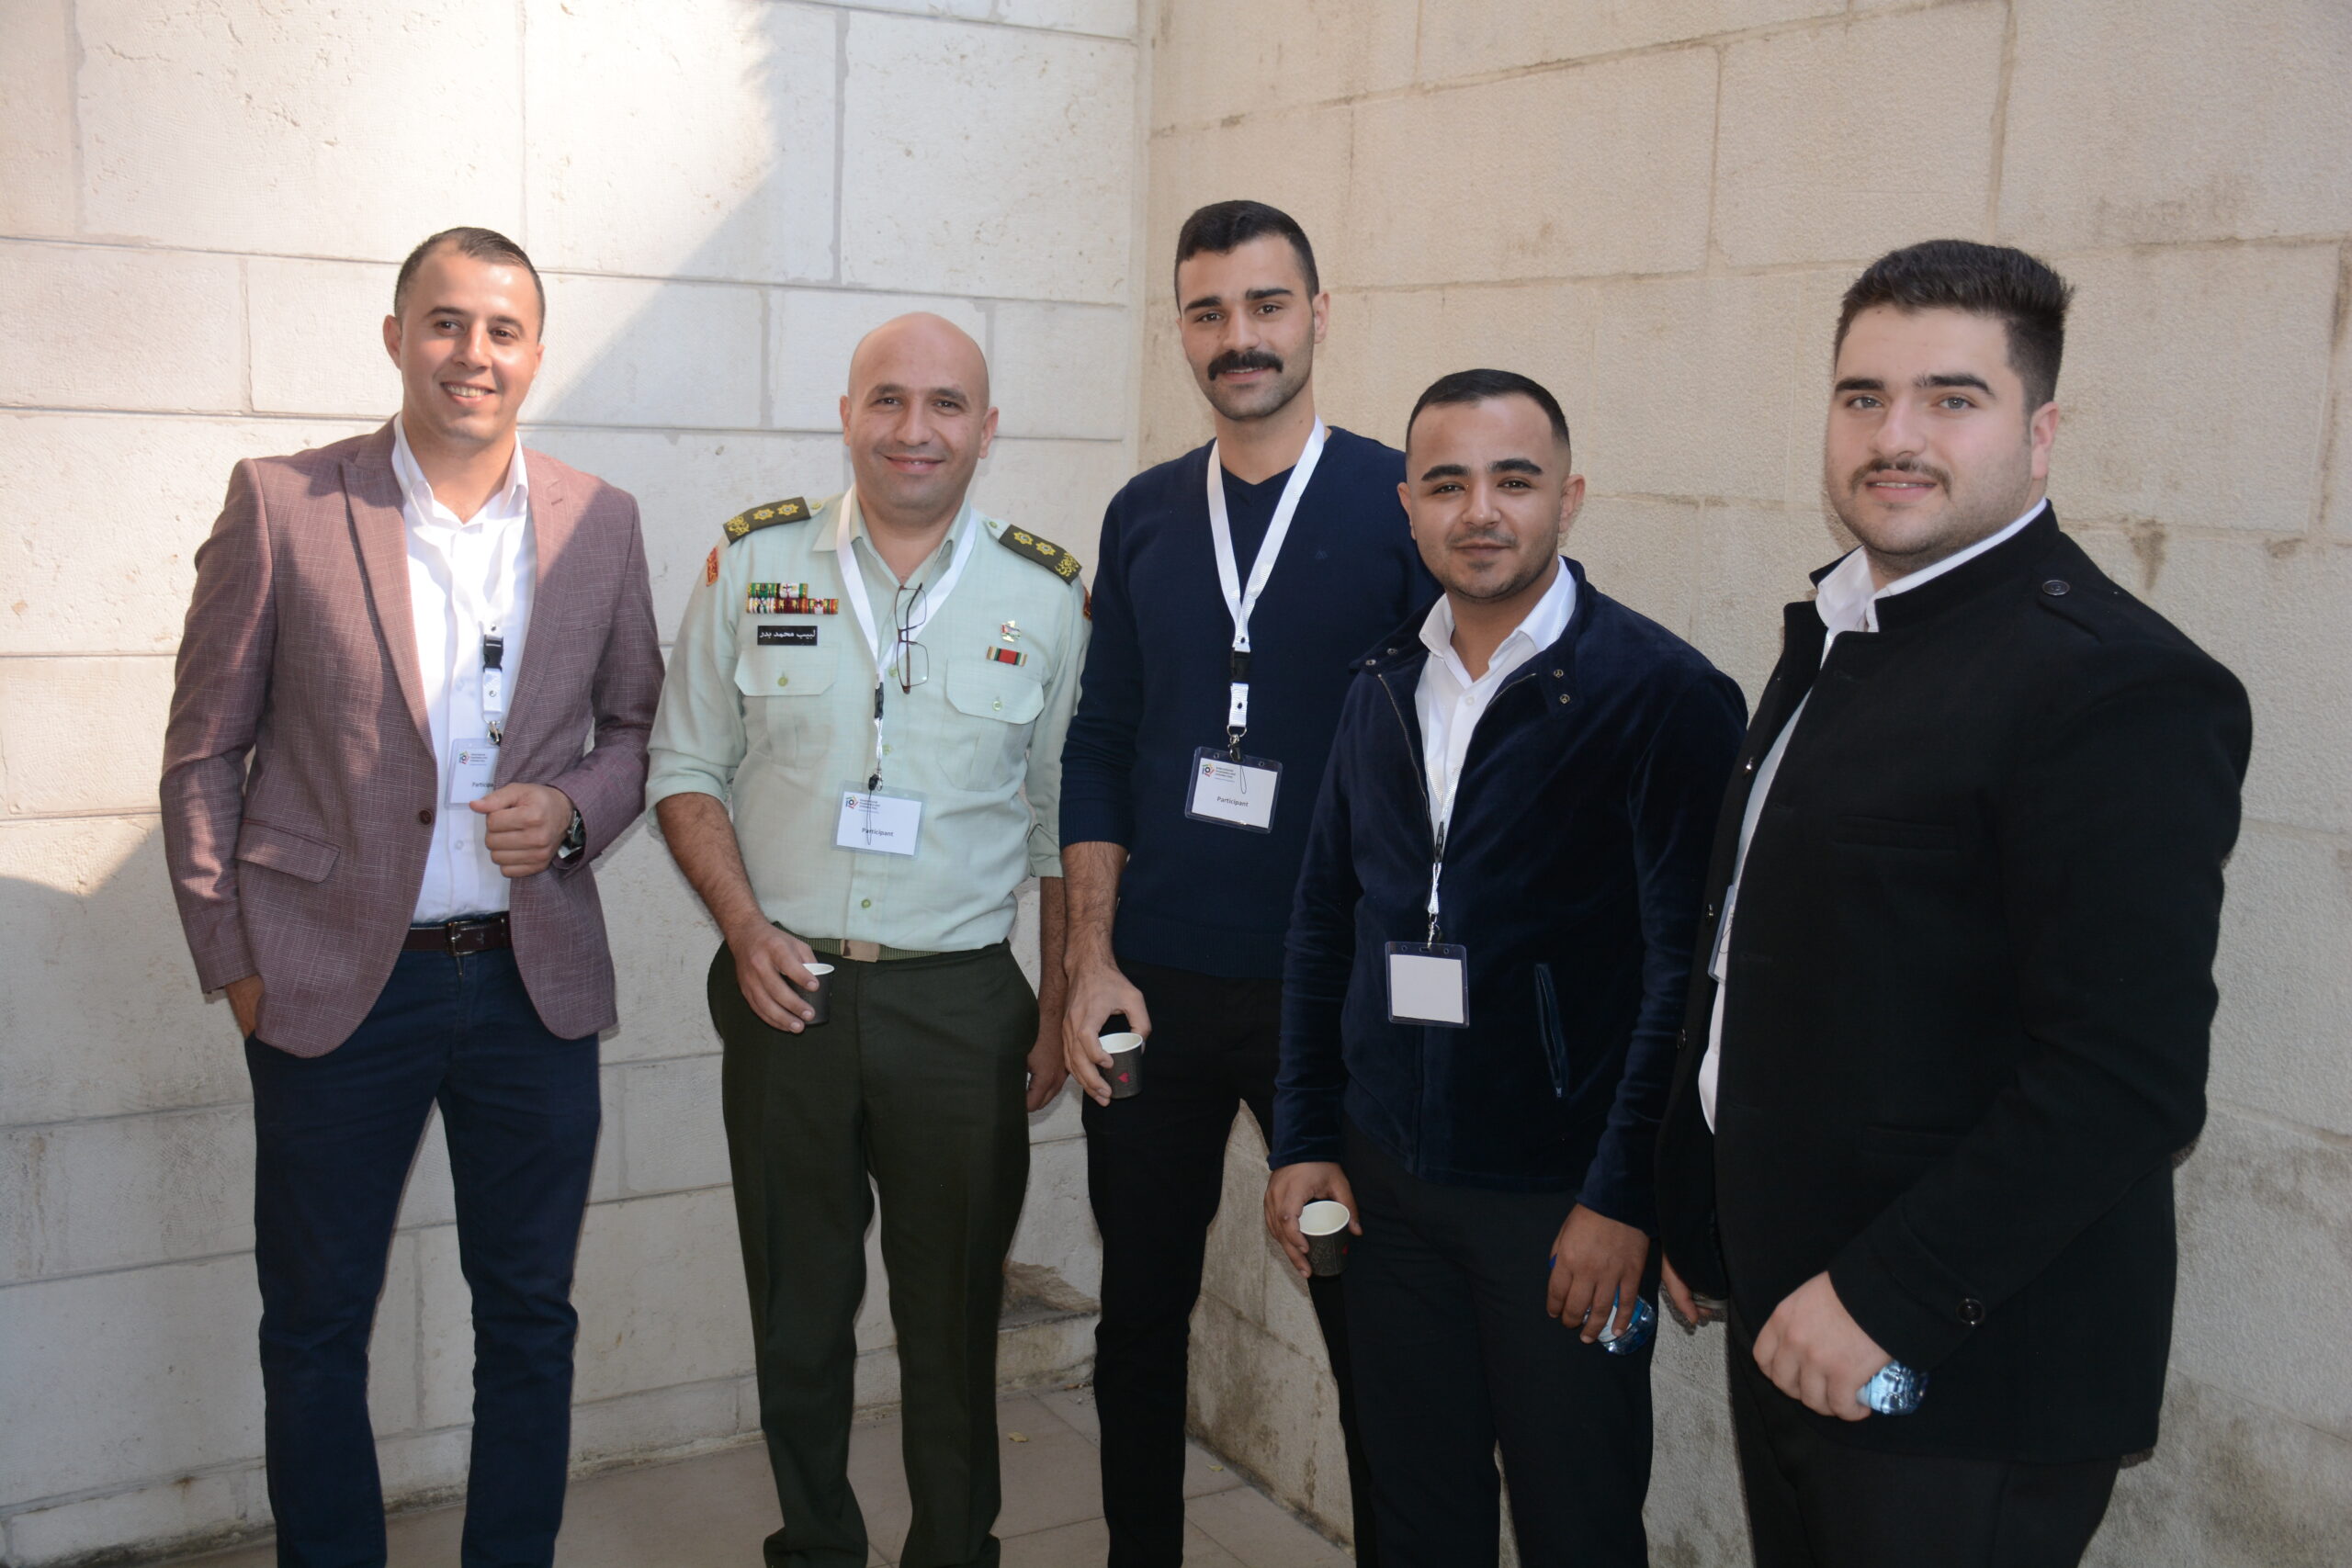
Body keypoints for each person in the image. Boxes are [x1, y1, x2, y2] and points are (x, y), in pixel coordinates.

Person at [1654, 240, 2253, 1568]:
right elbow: (1758, 955)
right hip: (1794, 1306)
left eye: (1952, 399)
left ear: (2041, 436)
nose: (1896, 437)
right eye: (1863, 396)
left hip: (1957, 1366)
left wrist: (1888, 1297)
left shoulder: (2114, 685)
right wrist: (1700, 1200)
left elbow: (2127, 1075)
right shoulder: (1843, 632)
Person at [159, 226, 663, 1566]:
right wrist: (234, 959)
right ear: (396, 337)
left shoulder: (601, 520)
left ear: (535, 354)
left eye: (502, 330)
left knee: (530, 1320)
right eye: (445, 323)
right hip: (331, 983)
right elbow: (204, 751)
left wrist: (574, 814)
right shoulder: (284, 503)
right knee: (316, 1325)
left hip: (530, 988)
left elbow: (635, 731)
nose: (472, 353)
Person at [1266, 369, 1746, 1566]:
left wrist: (1624, 1198)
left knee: (1578, 1520)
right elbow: (1324, 923)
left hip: (1560, 1204)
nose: (1480, 510)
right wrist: (1304, 1136)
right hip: (1383, 1187)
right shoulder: (1380, 682)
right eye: (1447, 484)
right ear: (1409, 506)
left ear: (1568, 499)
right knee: (1414, 1514)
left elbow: (1686, 982)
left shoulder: (1666, 695)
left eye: (1514, 481)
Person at [648, 312, 1087, 1568]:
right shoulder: (753, 564)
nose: (914, 428)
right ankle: (817, 1544)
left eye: (946, 404)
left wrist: (1059, 1003)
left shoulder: (1046, 596)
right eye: (887, 399)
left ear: (987, 430)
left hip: (960, 1005)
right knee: (798, 1309)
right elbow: (683, 766)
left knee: (952, 1317)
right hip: (786, 992)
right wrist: (743, 929)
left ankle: (954, 1549)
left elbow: (1065, 826)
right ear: (847, 416)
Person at [1057, 198, 1430, 1565]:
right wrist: (1089, 962)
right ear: (1181, 331)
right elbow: (1101, 745)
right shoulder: (1145, 513)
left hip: (1323, 1010)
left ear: (1317, 316)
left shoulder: (1400, 503)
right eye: (1209, 312)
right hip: (1150, 993)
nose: (1240, 337)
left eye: (1267, 306)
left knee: (1364, 1318)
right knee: (1140, 1315)